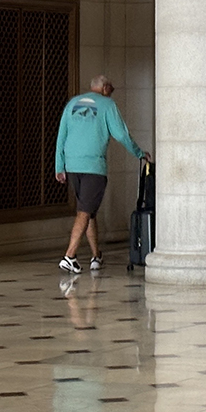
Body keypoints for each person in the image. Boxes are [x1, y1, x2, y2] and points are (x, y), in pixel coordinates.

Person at [55, 75, 149, 273]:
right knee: (84, 212)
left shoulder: (72, 103)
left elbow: (61, 136)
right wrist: (139, 153)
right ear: (105, 87)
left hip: (72, 166)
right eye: (112, 88)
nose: (112, 91)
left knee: (89, 211)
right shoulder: (107, 105)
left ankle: (96, 255)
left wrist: (59, 166)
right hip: (93, 167)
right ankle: (69, 256)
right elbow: (121, 134)